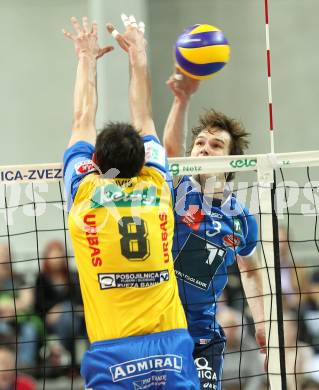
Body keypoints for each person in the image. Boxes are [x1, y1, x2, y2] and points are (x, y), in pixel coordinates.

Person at [62, 15, 199, 389]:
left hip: (112, 351)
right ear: (143, 161)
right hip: (171, 342)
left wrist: (85, 59)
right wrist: (138, 54)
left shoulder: (86, 193)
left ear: (96, 164)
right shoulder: (157, 185)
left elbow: (81, 119)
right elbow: (145, 117)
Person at [163, 71, 266, 389]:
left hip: (203, 336)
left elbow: (251, 271)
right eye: (199, 143)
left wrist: (264, 324)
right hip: (162, 326)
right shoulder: (178, 187)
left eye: (216, 145)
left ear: (231, 162)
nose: (204, 149)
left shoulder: (242, 219)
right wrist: (182, 101)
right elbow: (170, 153)